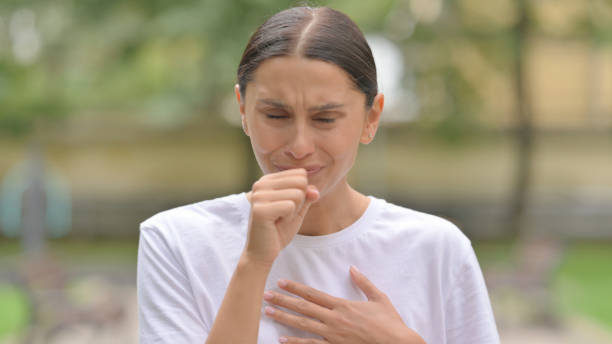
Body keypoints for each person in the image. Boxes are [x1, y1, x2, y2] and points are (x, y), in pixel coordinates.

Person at [137, 6, 500, 344]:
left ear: (371, 118)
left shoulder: (436, 248)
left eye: (325, 119)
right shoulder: (176, 241)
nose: (299, 145)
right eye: (276, 116)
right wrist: (253, 263)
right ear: (243, 111)